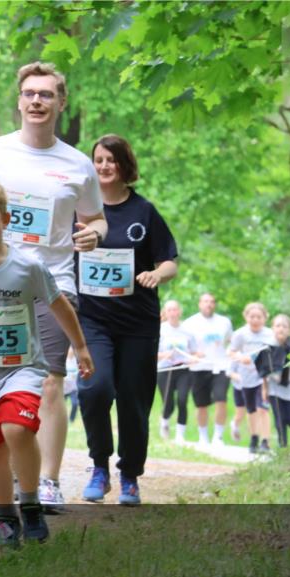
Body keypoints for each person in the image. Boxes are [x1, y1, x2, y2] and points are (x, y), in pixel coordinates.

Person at [0, 61, 107, 511]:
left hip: (52, 280)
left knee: (50, 380)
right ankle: (13, 469)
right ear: (19, 101)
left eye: (46, 94)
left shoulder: (77, 164)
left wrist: (93, 235)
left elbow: (96, 218)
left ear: (61, 103)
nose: (37, 101)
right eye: (30, 93)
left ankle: (47, 481)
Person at [0, 177, 93, 546]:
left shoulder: (28, 265)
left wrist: (80, 347)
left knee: (17, 429)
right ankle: (6, 517)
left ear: (6, 218)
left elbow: (59, 305)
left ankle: (30, 503)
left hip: (21, 369)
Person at [76, 134, 178, 505]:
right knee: (95, 389)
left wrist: (157, 274)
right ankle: (99, 466)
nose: (104, 166)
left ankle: (130, 475)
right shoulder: (78, 211)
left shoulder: (143, 211)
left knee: (134, 402)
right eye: (99, 160)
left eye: (112, 160)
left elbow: (169, 260)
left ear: (124, 165)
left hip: (138, 322)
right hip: (93, 320)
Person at [183, 293, 234, 447]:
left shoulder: (224, 322)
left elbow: (231, 341)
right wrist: (192, 356)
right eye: (206, 301)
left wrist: (232, 353)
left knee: (221, 399)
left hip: (220, 366)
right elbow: (184, 347)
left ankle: (218, 437)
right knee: (201, 404)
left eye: (212, 302)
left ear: (215, 305)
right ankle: (203, 436)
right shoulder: (189, 323)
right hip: (199, 367)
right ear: (199, 304)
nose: (209, 304)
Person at [228, 302, 275, 453]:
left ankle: (265, 441)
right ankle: (254, 438)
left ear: (265, 318)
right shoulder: (240, 334)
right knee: (251, 410)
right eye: (252, 316)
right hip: (246, 377)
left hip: (264, 378)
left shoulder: (270, 334)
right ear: (246, 317)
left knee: (263, 409)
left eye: (259, 317)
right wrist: (240, 357)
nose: (255, 320)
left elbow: (276, 353)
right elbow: (231, 352)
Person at [257, 314, 290, 447]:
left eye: (285, 326)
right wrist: (264, 389)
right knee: (280, 418)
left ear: (289, 330)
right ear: (272, 328)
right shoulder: (267, 348)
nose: (281, 329)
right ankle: (282, 446)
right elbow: (263, 370)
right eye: (278, 326)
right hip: (275, 389)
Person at [157, 299, 198, 445]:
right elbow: (151, 353)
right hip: (165, 369)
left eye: (175, 309)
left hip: (183, 369)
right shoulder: (160, 330)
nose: (173, 313)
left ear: (179, 311)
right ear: (165, 313)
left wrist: (193, 359)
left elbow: (195, 352)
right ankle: (164, 421)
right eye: (169, 310)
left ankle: (180, 436)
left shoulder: (187, 331)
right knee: (169, 403)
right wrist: (164, 355)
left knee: (182, 399)